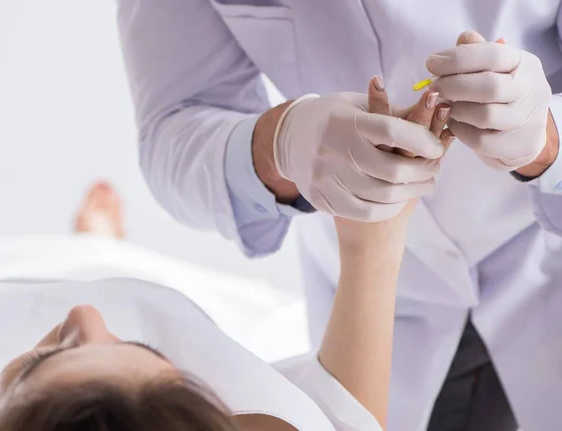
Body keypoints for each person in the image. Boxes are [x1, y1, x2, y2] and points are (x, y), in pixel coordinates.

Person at [116, 2, 562, 430]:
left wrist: (546, 140)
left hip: (544, 258)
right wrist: (279, 146)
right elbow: (170, 126)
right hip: (377, 299)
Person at [0, 87, 450, 431]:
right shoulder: (268, 419)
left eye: (37, 365)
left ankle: (93, 250)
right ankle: (99, 254)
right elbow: (346, 416)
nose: (84, 316)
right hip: (196, 332)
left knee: (61, 268)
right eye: (154, 357)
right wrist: (377, 226)